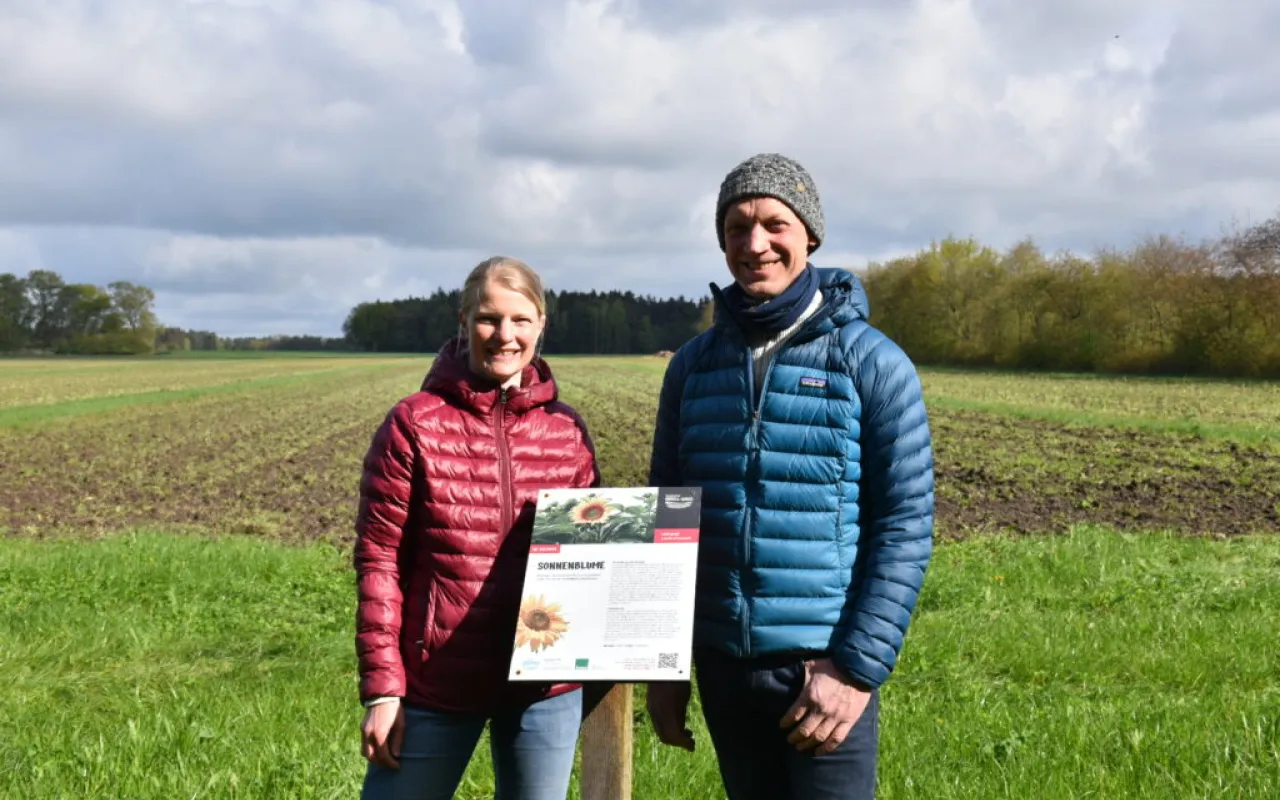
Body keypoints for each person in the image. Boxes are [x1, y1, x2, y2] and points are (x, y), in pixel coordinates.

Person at [645, 153, 935, 799]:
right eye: (736, 228)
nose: (755, 244)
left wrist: (854, 670)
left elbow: (906, 524)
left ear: (810, 233)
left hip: (822, 675)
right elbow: (669, 517)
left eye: (774, 223)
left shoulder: (872, 363)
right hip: (724, 671)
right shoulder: (690, 369)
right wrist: (664, 668)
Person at [353, 256, 600, 800]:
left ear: (541, 325)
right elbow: (379, 560)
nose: (504, 335)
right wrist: (383, 689)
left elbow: (595, 557)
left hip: (544, 686)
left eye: (520, 320)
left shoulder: (567, 431)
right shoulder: (414, 423)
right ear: (463, 320)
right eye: (488, 318)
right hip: (437, 679)